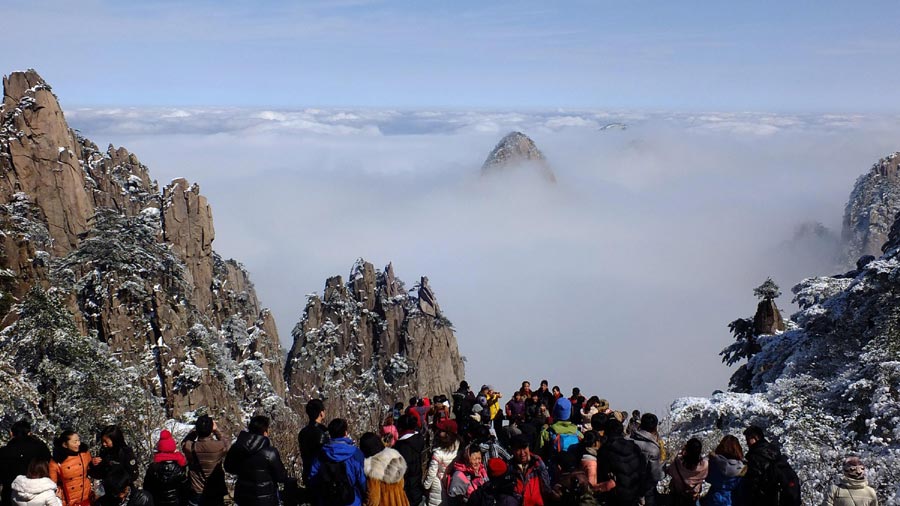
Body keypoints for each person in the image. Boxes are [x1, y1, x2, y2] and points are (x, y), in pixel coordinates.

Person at [223, 415, 290, 506]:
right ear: (265, 432)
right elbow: (281, 477)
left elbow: (228, 467)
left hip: (243, 497)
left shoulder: (237, 448)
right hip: (266, 499)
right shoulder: (270, 453)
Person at [308, 418, 366, 506]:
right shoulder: (355, 453)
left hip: (327, 500)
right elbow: (362, 480)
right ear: (346, 433)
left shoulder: (321, 453)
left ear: (330, 434)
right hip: (352, 500)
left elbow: (312, 477)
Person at [738, 426, 800, 506]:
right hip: (774, 498)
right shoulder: (774, 451)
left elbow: (754, 481)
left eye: (748, 439)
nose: (747, 442)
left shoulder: (755, 455)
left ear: (756, 438)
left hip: (762, 499)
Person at [595, 419, 648, 506]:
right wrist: (641, 493)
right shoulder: (634, 447)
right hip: (634, 493)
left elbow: (602, 475)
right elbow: (642, 471)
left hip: (614, 495)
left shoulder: (604, 450)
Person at [0, 420, 51, 506]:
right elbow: (48, 464)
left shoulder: (4, 451)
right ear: (29, 433)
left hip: (11, 494)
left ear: (11, 434)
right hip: (38, 492)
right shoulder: (40, 447)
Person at [181, 415, 229, 506]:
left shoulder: (190, 447)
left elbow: (184, 442)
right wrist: (216, 430)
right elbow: (227, 442)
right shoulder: (219, 446)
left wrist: (196, 430)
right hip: (215, 489)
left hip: (197, 490)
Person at [360, 433, 409, 506]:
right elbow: (402, 483)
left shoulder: (373, 467)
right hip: (401, 501)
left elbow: (374, 499)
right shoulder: (394, 456)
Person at [143, 430, 188, 506]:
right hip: (177, 502)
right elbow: (185, 489)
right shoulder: (180, 466)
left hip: (158, 502)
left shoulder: (153, 468)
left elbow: (147, 488)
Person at [49, 431, 92, 506]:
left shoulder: (84, 454)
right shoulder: (57, 460)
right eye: (75, 442)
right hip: (67, 501)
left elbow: (91, 470)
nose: (78, 444)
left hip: (85, 498)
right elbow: (52, 484)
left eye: (79, 440)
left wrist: (95, 463)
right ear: (65, 445)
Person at [630, 413, 664, 506]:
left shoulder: (628, 440)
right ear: (655, 427)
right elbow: (655, 475)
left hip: (627, 486)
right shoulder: (653, 449)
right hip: (646, 490)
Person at [424, 419, 460, 506]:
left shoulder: (438, 453)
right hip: (450, 482)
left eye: (442, 431)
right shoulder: (458, 445)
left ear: (448, 434)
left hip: (438, 483)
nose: (439, 432)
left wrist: (426, 486)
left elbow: (432, 472)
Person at [509, 434, 552, 506]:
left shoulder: (537, 463)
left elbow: (546, 487)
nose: (522, 453)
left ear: (528, 447)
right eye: (518, 449)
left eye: (524, 448)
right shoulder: (509, 467)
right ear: (513, 451)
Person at [393, 415, 426, 506]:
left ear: (400, 428)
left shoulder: (402, 447)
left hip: (407, 490)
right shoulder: (419, 438)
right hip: (417, 484)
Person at [703, 435, 744, 506]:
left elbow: (707, 478)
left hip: (713, 499)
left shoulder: (713, 463)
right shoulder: (741, 469)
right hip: (731, 501)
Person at [666, 438, 708, 506]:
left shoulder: (677, 464)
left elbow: (669, 471)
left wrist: (678, 455)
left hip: (678, 496)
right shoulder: (705, 465)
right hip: (693, 497)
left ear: (686, 450)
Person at [539, 398, 582, 462]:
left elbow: (539, 455)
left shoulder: (546, 433)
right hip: (574, 469)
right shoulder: (578, 433)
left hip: (553, 469)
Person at [299, 399, 329, 485]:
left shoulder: (303, 432)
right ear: (321, 413)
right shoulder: (322, 433)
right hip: (319, 477)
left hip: (306, 473)